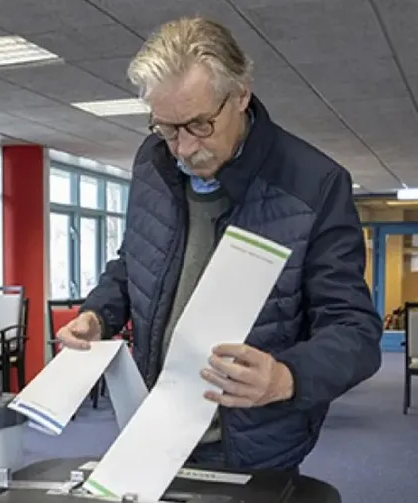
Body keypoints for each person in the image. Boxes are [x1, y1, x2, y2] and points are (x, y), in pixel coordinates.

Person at [56, 17, 382, 470]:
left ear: (241, 95)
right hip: (153, 429)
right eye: (166, 128)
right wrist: (98, 313)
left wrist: (288, 377)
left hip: (254, 446)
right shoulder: (153, 164)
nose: (183, 149)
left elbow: (356, 333)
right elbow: (134, 263)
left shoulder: (314, 184)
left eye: (199, 125)